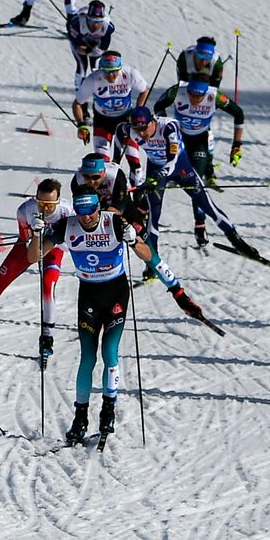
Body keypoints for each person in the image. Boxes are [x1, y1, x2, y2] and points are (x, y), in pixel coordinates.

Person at [32, 185, 202, 445]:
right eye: (81, 210)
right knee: (87, 357)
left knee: (109, 352)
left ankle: (108, 411)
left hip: (116, 293)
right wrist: (36, 234)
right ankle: (80, 418)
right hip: (88, 295)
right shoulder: (67, 226)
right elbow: (33, 257)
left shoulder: (115, 222)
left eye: (90, 209)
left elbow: (149, 256)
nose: (86, 216)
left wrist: (134, 240)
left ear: (98, 207)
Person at [122, 106, 261, 272]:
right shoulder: (128, 130)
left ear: (152, 121)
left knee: (207, 205)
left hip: (181, 169)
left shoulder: (168, 126)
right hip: (155, 169)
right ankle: (152, 264)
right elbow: (118, 135)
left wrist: (159, 176)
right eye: (138, 130)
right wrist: (116, 165)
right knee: (154, 216)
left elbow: (172, 159)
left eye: (144, 128)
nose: (142, 134)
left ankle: (238, 243)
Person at [0, 179, 74, 368]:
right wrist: (35, 233)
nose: (45, 208)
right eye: (41, 203)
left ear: (58, 201)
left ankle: (47, 337)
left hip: (55, 248)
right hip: (29, 247)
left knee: (48, 287)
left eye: (50, 205)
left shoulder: (68, 211)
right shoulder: (25, 210)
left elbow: (69, 243)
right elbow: (29, 250)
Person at [152, 71, 245, 244]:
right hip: (178, 139)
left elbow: (238, 114)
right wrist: (166, 125)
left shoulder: (215, 96)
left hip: (199, 140)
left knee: (197, 180)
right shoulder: (177, 91)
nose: (194, 98)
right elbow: (158, 105)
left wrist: (236, 145)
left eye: (198, 95)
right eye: (191, 94)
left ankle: (200, 223)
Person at [72, 50, 149, 162]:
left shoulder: (130, 74)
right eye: (106, 71)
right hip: (103, 121)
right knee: (102, 161)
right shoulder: (93, 79)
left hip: (125, 119)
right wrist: (81, 125)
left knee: (134, 160)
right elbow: (77, 103)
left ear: (120, 68)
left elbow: (145, 90)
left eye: (114, 71)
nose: (111, 75)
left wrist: (138, 110)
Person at [64, 0, 114, 89]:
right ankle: (79, 90)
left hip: (97, 43)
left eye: (99, 21)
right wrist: (88, 50)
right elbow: (76, 45)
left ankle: (98, 90)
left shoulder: (108, 27)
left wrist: (99, 51)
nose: (95, 24)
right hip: (81, 42)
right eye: (92, 20)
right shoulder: (77, 23)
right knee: (82, 65)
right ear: (87, 18)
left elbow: (104, 46)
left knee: (95, 66)